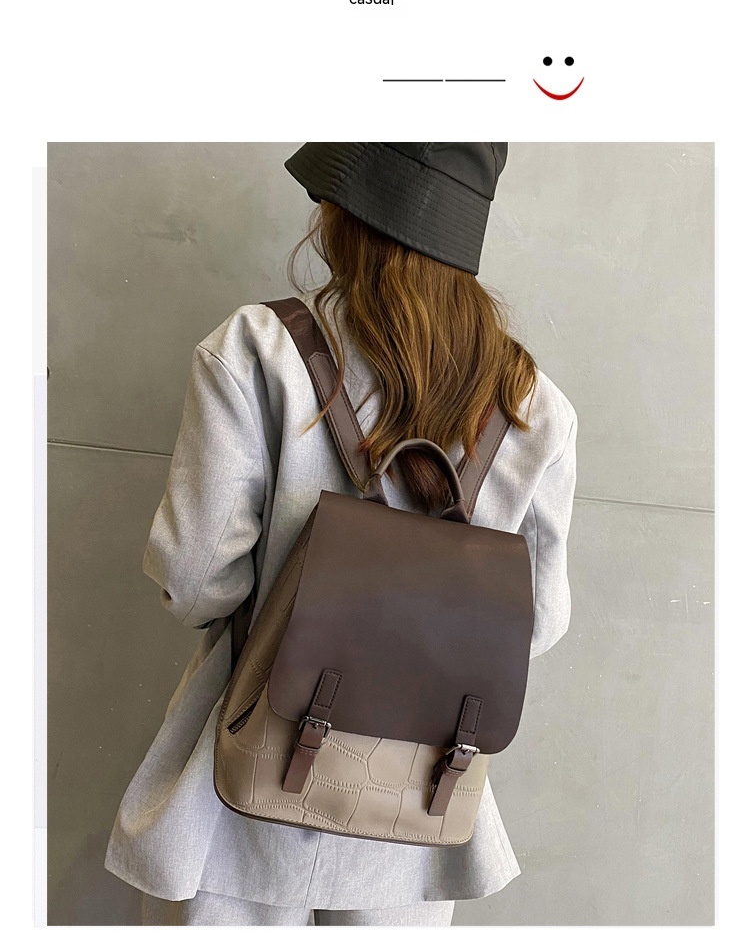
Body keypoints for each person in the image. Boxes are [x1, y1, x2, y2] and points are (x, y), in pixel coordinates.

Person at [104, 142, 578, 926]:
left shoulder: (256, 348)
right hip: (417, 808)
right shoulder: (536, 408)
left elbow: (194, 581)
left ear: (345, 210)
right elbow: (539, 622)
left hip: (238, 798)